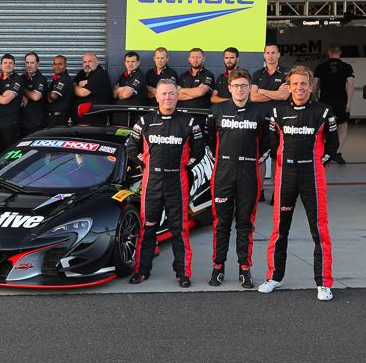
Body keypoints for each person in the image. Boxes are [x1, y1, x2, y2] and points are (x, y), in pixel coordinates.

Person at [259, 66, 338, 301]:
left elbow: (332, 146)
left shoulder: (323, 112)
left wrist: (318, 163)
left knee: (319, 229)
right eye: (295, 83)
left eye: (304, 83)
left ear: (311, 85)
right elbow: (272, 144)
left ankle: (323, 283)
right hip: (286, 176)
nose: (299, 88)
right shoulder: (277, 111)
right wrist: (283, 163)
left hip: (313, 176)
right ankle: (274, 276)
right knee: (279, 230)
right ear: (289, 86)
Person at [127, 79, 204, 288]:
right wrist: (145, 164)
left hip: (177, 183)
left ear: (177, 96)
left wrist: (185, 166)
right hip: (151, 183)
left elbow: (199, 151)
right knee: (148, 228)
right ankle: (142, 271)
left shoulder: (189, 122)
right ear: (157, 96)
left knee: (179, 230)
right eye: (163, 94)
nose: (167, 98)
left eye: (171, 94)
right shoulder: (144, 122)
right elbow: (131, 150)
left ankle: (183, 273)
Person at [205, 68, 269, 289]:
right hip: (223, 173)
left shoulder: (260, 112)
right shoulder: (217, 110)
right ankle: (218, 267)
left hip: (248, 174)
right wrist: (222, 160)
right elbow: (209, 141)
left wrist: (253, 160)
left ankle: (245, 269)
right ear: (229, 88)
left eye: (244, 86)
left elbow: (268, 144)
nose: (240, 90)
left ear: (249, 88)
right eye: (236, 86)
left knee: (245, 223)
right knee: (221, 223)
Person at [250, 45, 289, 201]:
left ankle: (276, 192)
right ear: (264, 55)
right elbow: (252, 97)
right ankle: (259, 192)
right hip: (261, 120)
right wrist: (274, 94)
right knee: (260, 157)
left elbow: (284, 96)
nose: (271, 55)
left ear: (279, 54)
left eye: (273, 53)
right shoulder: (257, 74)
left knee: (276, 157)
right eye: (268, 53)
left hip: (279, 121)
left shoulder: (287, 73)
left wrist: (262, 91)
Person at [314, 46, 355, 164]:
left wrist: (316, 100)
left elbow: (314, 86)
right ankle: (337, 153)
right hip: (341, 101)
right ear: (340, 53)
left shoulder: (321, 67)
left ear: (329, 52)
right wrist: (349, 103)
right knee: (342, 126)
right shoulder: (347, 67)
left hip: (324, 102)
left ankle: (326, 153)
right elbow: (350, 86)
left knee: (324, 127)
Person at [0, 54, 23, 152]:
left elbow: (5, 100)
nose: (7, 65)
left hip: (11, 124)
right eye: (5, 63)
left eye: (10, 63)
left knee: (11, 154)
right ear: (1, 65)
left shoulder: (17, 79)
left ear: (14, 65)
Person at [73, 52, 112, 125]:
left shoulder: (100, 74)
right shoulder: (82, 73)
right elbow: (73, 83)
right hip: (82, 118)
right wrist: (76, 85)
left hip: (93, 119)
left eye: (90, 61)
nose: (87, 64)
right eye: (84, 62)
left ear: (97, 62)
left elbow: (82, 93)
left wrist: (75, 86)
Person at [112, 51, 147, 127]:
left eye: (133, 61)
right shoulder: (123, 75)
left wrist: (119, 90)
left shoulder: (139, 75)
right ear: (125, 63)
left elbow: (125, 95)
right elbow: (114, 94)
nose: (130, 64)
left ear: (138, 63)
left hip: (132, 116)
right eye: (128, 61)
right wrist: (122, 89)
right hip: (120, 114)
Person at [176, 48, 215, 113]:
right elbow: (177, 95)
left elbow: (201, 92)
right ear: (189, 59)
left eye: (198, 57)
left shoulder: (208, 74)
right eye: (193, 57)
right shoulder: (183, 75)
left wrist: (182, 89)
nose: (195, 60)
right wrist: (195, 93)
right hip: (183, 115)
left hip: (201, 114)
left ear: (203, 59)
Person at [19, 52, 47, 137]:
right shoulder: (22, 77)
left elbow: (35, 97)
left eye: (32, 63)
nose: (29, 65)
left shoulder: (40, 78)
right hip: (23, 121)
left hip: (35, 123)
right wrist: (22, 96)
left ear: (37, 64)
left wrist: (22, 88)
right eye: (27, 63)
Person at [47, 55, 74, 127]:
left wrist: (47, 93)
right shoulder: (57, 79)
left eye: (60, 64)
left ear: (66, 65)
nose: (57, 66)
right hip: (54, 118)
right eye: (55, 64)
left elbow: (53, 96)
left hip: (60, 119)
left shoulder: (64, 79)